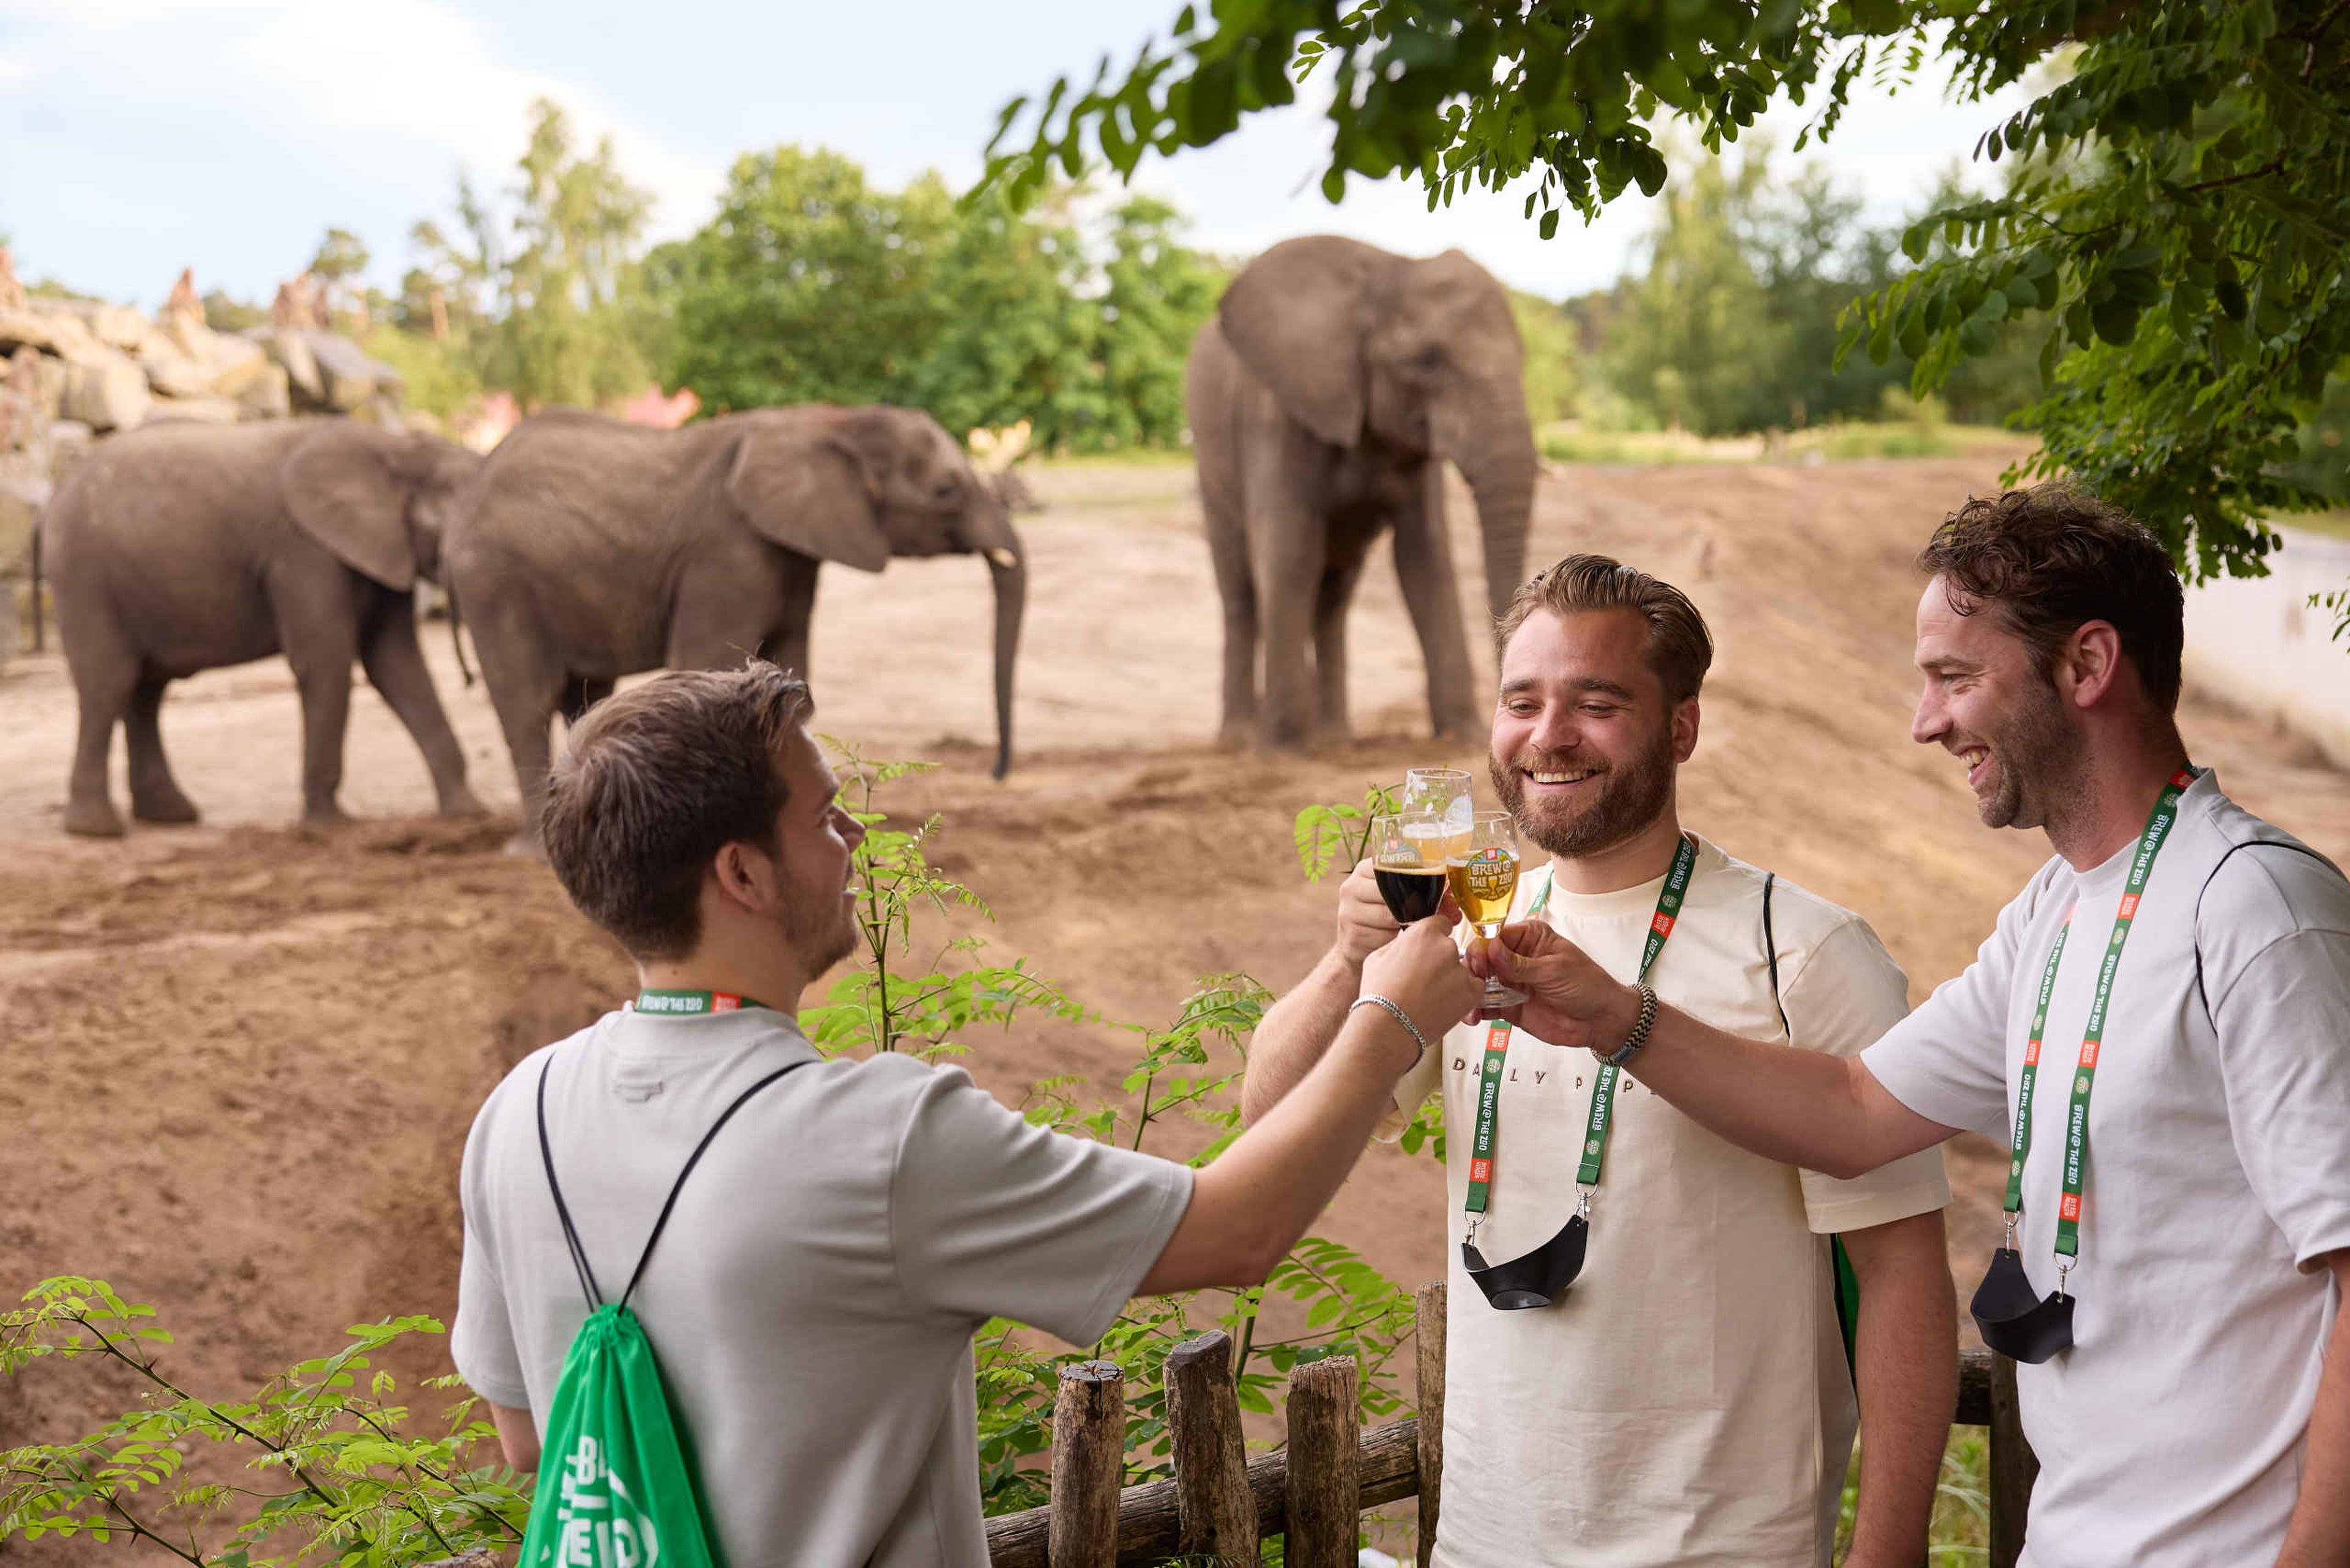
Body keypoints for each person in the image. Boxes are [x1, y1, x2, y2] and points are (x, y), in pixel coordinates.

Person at [1475, 488, 2350, 1568]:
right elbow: (1855, 1109)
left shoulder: (2258, 909)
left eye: (1956, 677)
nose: (1924, 721)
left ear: (2087, 665)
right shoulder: (2053, 911)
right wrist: (1615, 1017)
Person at [450, 663, 1480, 1568]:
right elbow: (1238, 1231)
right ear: (743, 872)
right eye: (821, 816)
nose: (854, 838)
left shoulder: (516, 1114)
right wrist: (1392, 1014)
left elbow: (533, 1446)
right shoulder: (884, 1138)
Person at [1243, 556, 1956, 1568]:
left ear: (1682, 726)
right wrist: (1348, 962)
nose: (1548, 735)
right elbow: (1269, 1121)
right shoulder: (1467, 931)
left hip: (1727, 1548)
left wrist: (1887, 1555)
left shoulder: (1803, 950)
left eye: (1597, 702)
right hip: (1486, 1543)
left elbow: (1902, 1274)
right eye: (1521, 700)